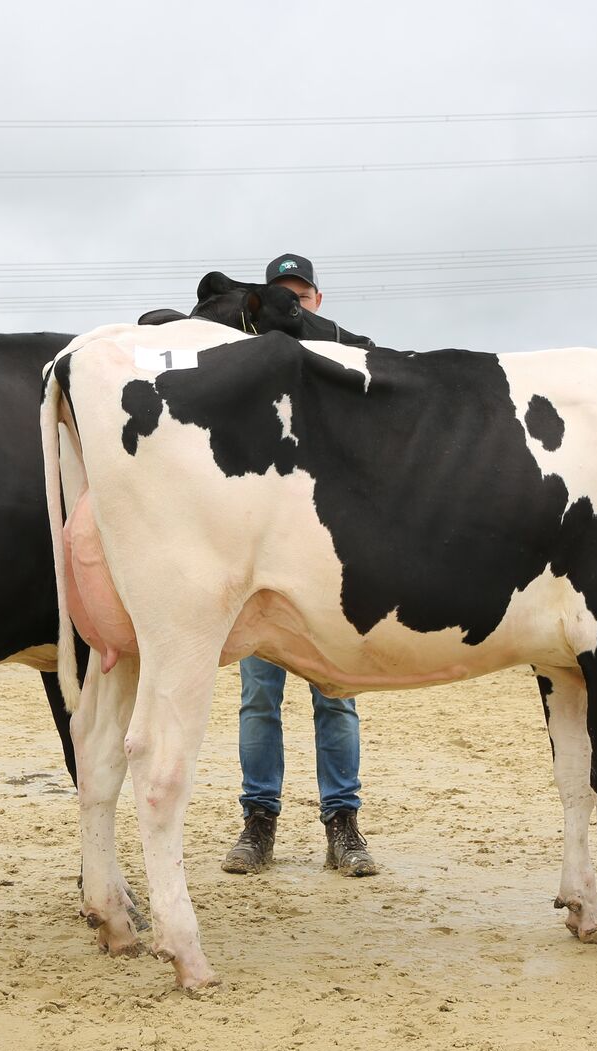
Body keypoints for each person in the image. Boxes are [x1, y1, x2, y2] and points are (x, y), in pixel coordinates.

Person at [221, 252, 379, 879]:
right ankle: (258, 823)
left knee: (336, 694)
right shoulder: (247, 367)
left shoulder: (343, 358)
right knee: (259, 697)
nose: (293, 305)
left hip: (326, 559)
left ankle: (343, 825)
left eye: (301, 295)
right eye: (281, 296)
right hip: (262, 557)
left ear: (317, 300)